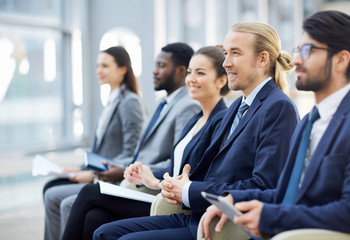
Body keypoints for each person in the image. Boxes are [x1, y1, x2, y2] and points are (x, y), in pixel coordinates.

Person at [93, 21, 299, 240]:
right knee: (103, 233)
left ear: (262, 59)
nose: (226, 63)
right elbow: (210, 170)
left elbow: (266, 185)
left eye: (235, 53)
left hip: (222, 226)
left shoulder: (278, 107)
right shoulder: (238, 107)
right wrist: (173, 186)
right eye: (226, 53)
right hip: (195, 215)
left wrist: (189, 191)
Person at [200, 10, 350, 240]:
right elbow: (287, 193)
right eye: (298, 50)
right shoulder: (309, 122)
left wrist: (272, 217)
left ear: (341, 60)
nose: (296, 60)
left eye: (308, 51)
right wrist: (234, 199)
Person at [61, 42, 201, 240]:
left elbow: (178, 162)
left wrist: (141, 173)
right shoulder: (163, 102)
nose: (153, 71)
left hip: (152, 189)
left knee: (88, 193)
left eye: (161, 66)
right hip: (135, 179)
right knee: (94, 217)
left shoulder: (187, 106)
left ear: (179, 71)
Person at [43, 46, 144, 240]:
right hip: (97, 173)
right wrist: (78, 167)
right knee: (51, 187)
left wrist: (92, 173)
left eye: (105, 66)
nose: (99, 70)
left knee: (53, 195)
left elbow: (131, 153)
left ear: (122, 69)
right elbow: (100, 151)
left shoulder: (130, 102)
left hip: (111, 177)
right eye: (98, 65)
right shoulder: (110, 101)